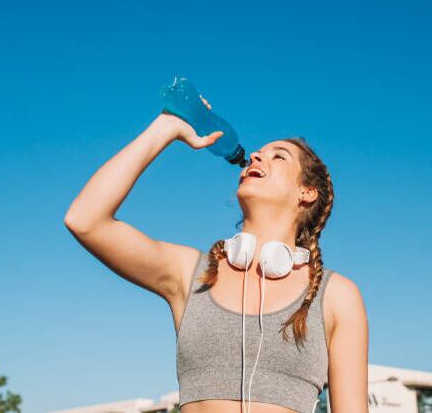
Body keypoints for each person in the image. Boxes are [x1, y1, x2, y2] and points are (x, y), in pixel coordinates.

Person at [64, 95, 369, 413]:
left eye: (278, 156)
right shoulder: (190, 273)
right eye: (257, 153)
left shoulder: (336, 296)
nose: (255, 156)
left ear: (306, 192)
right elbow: (85, 220)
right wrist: (167, 127)